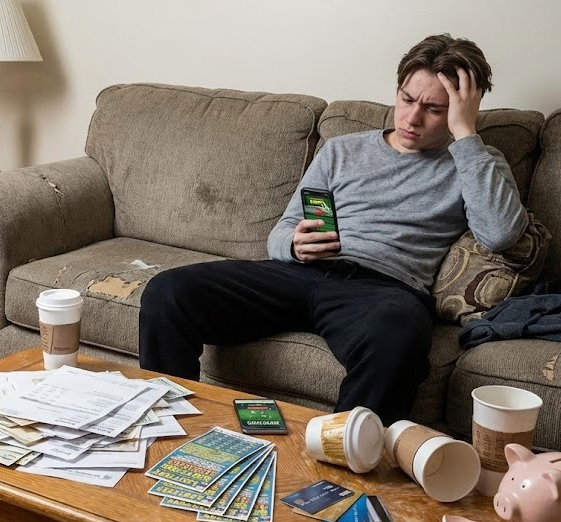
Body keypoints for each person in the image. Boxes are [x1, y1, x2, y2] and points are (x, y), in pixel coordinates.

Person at [138, 34, 528, 425]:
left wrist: (466, 135)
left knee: (398, 337)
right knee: (169, 291)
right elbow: (282, 230)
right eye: (407, 99)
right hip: (298, 272)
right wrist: (293, 244)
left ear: (462, 111)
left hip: (381, 291)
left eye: (434, 109)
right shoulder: (343, 150)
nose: (412, 118)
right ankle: (167, 429)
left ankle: (341, 467)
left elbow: (500, 234)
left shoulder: (476, 161)